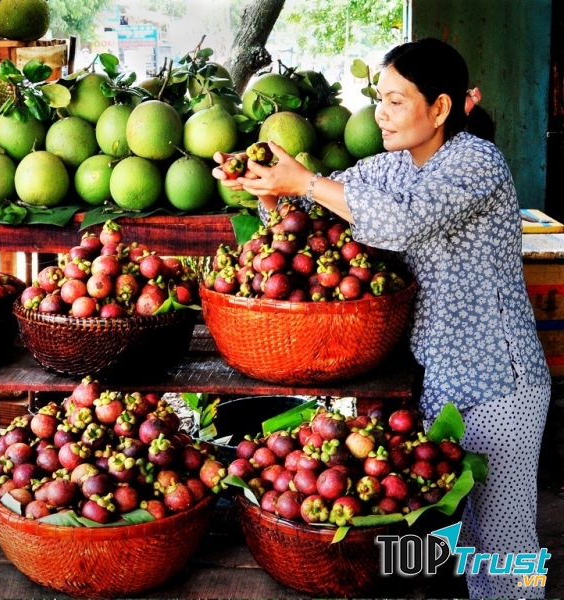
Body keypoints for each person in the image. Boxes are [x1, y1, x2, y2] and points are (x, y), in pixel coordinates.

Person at [214, 38, 551, 598]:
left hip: (500, 383)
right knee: (456, 535)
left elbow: (399, 223)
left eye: (396, 101)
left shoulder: (476, 161)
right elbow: (316, 204)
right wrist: (268, 185)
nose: (381, 113)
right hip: (438, 379)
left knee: (506, 542)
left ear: (439, 109)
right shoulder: (393, 167)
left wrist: (305, 182)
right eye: (379, 99)